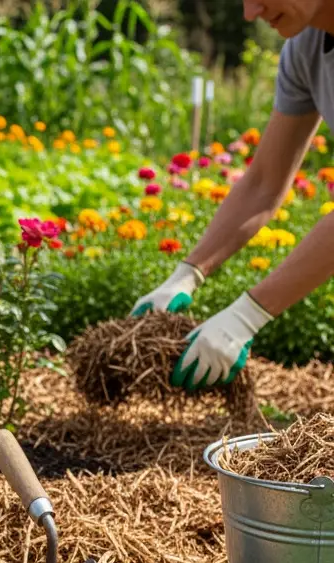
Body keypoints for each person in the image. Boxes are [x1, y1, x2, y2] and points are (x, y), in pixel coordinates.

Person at [131, 0, 334, 391]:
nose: (249, 12)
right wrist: (185, 275)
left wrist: (247, 315)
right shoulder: (305, 50)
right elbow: (263, 183)